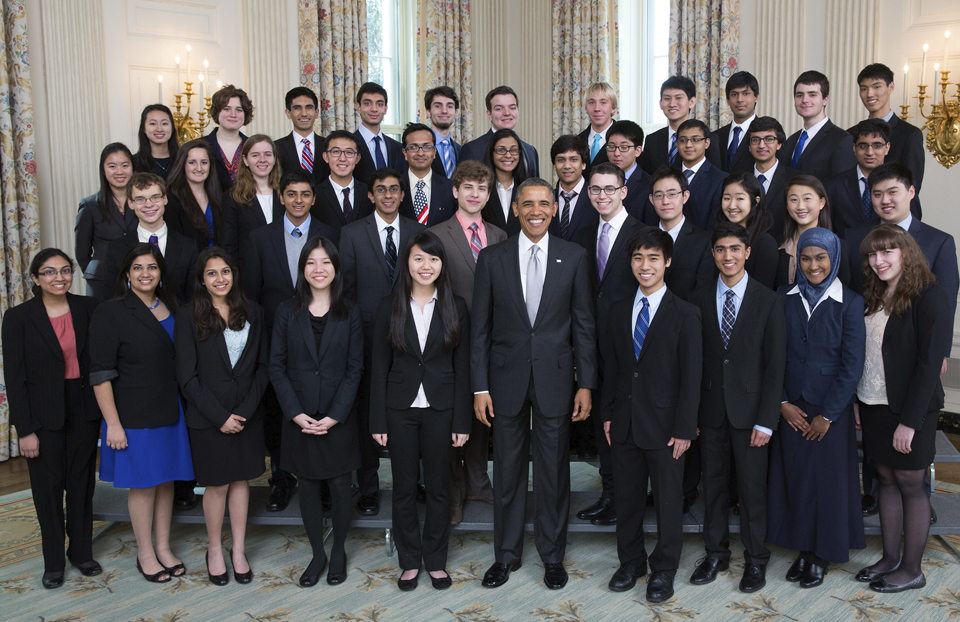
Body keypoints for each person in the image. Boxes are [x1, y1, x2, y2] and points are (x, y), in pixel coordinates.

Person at [472, 178, 597, 590]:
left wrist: (586, 384)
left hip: (557, 380)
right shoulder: (491, 258)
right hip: (504, 381)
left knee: (553, 474)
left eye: (544, 203)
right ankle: (505, 557)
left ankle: (552, 556)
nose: (537, 210)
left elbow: (583, 325)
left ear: (555, 209)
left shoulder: (574, 256)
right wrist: (479, 387)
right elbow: (480, 330)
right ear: (515, 209)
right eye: (528, 204)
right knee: (507, 472)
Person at [845, 163, 958, 521]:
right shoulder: (859, 240)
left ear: (911, 192)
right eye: (877, 194)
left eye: (892, 191)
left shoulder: (938, 241)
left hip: (916, 366)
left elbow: (947, 299)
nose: (885, 200)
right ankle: (878, 504)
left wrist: (941, 353)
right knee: (883, 470)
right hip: (875, 379)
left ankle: (917, 516)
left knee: (909, 475)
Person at [601, 227, 702, 603]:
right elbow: (613, 367)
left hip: (667, 428)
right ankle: (631, 562)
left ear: (668, 262)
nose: (645, 266)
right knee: (626, 499)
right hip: (624, 422)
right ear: (630, 263)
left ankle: (663, 569)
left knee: (668, 502)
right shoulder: (616, 311)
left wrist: (684, 428)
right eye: (638, 258)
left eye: (653, 258)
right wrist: (608, 414)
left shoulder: (686, 314)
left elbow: (692, 377)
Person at [370, 231, 472, 591]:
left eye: (432, 259)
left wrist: (462, 420)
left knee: (440, 487)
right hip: (399, 409)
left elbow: (463, 368)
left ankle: (436, 560)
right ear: (407, 263)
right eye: (418, 258)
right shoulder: (389, 306)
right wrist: (378, 419)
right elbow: (379, 367)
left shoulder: (456, 306)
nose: (425, 266)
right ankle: (410, 561)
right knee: (404, 487)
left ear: (442, 264)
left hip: (441, 409)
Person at [687, 222, 786, 593]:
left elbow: (775, 366)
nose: (727, 256)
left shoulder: (769, 300)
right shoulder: (696, 299)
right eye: (720, 250)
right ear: (713, 254)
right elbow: (692, 362)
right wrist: (691, 415)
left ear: (747, 252)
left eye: (734, 249)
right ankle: (715, 553)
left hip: (751, 416)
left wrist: (767, 420)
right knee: (712, 486)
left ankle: (756, 559)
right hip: (710, 412)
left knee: (751, 490)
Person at [89, 243, 195, 584]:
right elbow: (101, 373)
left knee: (166, 482)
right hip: (133, 416)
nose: (145, 273)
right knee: (144, 485)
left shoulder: (174, 307)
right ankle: (145, 553)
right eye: (137, 268)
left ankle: (163, 547)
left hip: (172, 410)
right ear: (126, 274)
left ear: (161, 272)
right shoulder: (111, 312)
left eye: (151, 267)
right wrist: (113, 424)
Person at [767, 227, 866, 588]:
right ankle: (802, 548)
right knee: (796, 479)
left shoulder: (851, 302)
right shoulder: (783, 296)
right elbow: (772, 355)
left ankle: (822, 553)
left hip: (829, 410)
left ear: (834, 258)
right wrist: (781, 402)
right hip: (792, 405)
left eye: (821, 258)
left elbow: (852, 365)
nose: (813, 265)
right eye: (806, 258)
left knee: (828, 484)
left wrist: (828, 415)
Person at [854, 225, 950, 593]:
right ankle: (890, 558)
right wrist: (860, 401)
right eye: (873, 255)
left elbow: (928, 365)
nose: (878, 261)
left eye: (887, 252)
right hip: (875, 403)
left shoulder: (930, 296)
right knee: (886, 482)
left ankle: (912, 568)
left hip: (912, 409)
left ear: (906, 252)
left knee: (911, 485)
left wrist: (910, 423)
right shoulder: (874, 294)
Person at [2, 250, 102, 589]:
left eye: (64, 271)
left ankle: (81, 552)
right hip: (42, 414)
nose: (58, 278)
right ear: (35, 278)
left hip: (84, 408)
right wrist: (25, 430)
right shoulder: (17, 318)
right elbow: (14, 380)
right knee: (47, 490)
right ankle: (54, 561)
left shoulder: (88, 309)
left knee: (81, 485)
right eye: (48, 272)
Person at [269, 237, 364, 587]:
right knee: (307, 485)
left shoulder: (350, 311)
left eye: (325, 262)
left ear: (335, 269)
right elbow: (276, 367)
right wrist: (295, 413)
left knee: (340, 484)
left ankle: (337, 550)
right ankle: (317, 554)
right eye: (311, 262)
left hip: (338, 416)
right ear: (302, 269)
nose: (319, 269)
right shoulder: (286, 310)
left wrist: (336, 414)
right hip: (300, 415)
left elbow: (356, 369)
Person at [243, 170, 337, 513]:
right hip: (274, 338)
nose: (298, 200)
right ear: (281, 198)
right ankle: (281, 481)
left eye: (305, 194)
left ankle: (324, 481)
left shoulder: (330, 234)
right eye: (291, 194)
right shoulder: (258, 238)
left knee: (320, 407)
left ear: (314, 199)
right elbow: (252, 295)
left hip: (321, 336)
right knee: (279, 414)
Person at [174, 248, 269, 586]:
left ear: (234, 274)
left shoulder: (253, 312)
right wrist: (220, 417)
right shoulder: (188, 316)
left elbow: (262, 368)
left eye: (225, 271)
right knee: (216, 486)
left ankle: (238, 549)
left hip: (247, 416)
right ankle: (215, 549)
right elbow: (187, 377)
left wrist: (242, 412)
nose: (220, 279)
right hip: (208, 418)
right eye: (212, 273)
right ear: (202, 279)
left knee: (242, 482)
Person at [340, 167, 426, 516]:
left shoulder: (419, 232)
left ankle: (417, 481)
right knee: (367, 412)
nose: (388, 195)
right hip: (367, 337)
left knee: (415, 407)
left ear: (403, 195)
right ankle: (370, 487)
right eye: (381, 190)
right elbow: (344, 292)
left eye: (394, 189)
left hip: (413, 335)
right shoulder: (351, 234)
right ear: (370, 195)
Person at [428, 161, 506, 523]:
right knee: (450, 413)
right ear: (455, 191)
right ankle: (453, 486)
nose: (475, 194)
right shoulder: (436, 234)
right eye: (468, 188)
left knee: (481, 414)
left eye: (482, 189)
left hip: (491, 339)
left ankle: (478, 479)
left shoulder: (500, 234)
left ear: (489, 195)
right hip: (449, 336)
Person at [574, 162, 647, 526]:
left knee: (629, 427)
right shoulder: (582, 234)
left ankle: (630, 497)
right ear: (588, 193)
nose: (602, 195)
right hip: (593, 348)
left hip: (632, 348)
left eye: (609, 189)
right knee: (603, 428)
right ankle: (610, 495)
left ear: (624, 191)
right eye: (596, 189)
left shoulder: (643, 234)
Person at [101, 173, 198, 307]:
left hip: (177, 323)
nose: (149, 204)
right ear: (130, 203)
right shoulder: (116, 249)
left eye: (155, 197)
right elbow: (111, 300)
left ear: (165, 199)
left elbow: (194, 298)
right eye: (140, 199)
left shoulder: (188, 246)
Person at [826, 119, 921, 238]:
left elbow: (913, 226)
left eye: (877, 146)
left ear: (887, 148)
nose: (870, 152)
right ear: (854, 148)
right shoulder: (833, 185)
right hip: (847, 254)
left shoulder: (904, 184)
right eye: (863, 146)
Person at [75, 143, 139, 300]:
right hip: (101, 280)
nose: (119, 171)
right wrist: (97, 272)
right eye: (112, 166)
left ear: (132, 168)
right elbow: (82, 253)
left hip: (138, 277)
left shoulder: (143, 202)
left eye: (125, 165)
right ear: (103, 170)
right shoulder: (89, 205)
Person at [849, 63, 924, 192]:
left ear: (891, 87)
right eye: (864, 88)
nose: (869, 94)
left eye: (876, 87)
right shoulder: (850, 134)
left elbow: (912, 188)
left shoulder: (910, 134)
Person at [651, 166, 715, 302]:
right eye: (659, 195)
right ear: (651, 199)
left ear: (685, 196)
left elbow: (703, 293)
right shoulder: (643, 238)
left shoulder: (704, 242)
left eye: (672, 194)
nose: (665, 201)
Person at [219, 134, 284, 266]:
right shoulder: (232, 198)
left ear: (274, 158)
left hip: (284, 272)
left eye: (267, 154)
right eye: (255, 155)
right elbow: (229, 246)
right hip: (249, 274)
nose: (262, 160)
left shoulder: (286, 194)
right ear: (246, 160)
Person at [776, 175, 850, 289]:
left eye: (807, 198)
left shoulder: (838, 246)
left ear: (822, 202)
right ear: (786, 205)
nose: (800, 206)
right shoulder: (778, 244)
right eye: (794, 200)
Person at [783, 71, 856, 181]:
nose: (805, 100)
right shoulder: (791, 141)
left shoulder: (842, 140)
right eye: (799, 95)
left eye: (812, 95)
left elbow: (842, 188)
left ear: (825, 100)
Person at [639, 76, 721, 174]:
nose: (672, 104)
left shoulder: (708, 138)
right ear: (660, 103)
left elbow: (715, 177)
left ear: (691, 102)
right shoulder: (652, 140)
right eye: (667, 98)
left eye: (678, 98)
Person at [459, 86, 540, 177]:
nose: (507, 113)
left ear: (518, 111)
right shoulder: (472, 149)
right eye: (499, 109)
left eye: (512, 108)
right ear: (489, 114)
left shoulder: (530, 151)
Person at [716, 172, 778, 290]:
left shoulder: (765, 244)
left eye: (740, 198)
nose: (732, 205)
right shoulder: (717, 237)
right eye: (727, 198)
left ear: (756, 201)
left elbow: (763, 292)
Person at [166, 139, 223, 251]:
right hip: (190, 265)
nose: (199, 168)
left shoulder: (220, 196)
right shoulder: (171, 200)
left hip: (218, 264)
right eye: (192, 162)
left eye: (204, 162)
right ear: (182, 165)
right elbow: (176, 244)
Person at [746, 117, 797, 243]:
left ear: (779, 144)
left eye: (769, 139)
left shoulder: (795, 180)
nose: (762, 145)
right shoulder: (740, 180)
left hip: (783, 248)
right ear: (749, 146)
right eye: (755, 140)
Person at [312, 130, 373, 234]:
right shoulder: (315, 195)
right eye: (336, 152)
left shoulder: (369, 193)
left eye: (349, 152)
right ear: (326, 157)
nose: (342, 158)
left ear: (357, 158)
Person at [398, 122, 456, 226]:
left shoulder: (450, 188)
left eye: (427, 147)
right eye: (413, 147)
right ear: (405, 153)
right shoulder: (395, 187)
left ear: (434, 152)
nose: (420, 153)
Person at [676, 119, 727, 232]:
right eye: (683, 140)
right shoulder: (670, 177)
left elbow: (716, 224)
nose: (688, 145)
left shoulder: (720, 179)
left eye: (695, 140)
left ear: (707, 143)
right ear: (677, 143)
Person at [274, 86, 330, 188]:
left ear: (316, 113)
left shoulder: (329, 145)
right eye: (297, 108)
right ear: (288, 113)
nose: (304, 113)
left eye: (309, 107)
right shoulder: (276, 147)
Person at [352, 82, 403, 186]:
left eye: (379, 104)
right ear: (358, 107)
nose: (374, 109)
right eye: (367, 103)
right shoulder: (349, 146)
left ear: (385, 109)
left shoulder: (398, 148)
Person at [203, 84, 252, 191]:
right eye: (227, 109)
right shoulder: (200, 145)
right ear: (217, 112)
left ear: (245, 114)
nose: (233, 114)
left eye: (239, 110)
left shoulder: (253, 146)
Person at [480, 129, 529, 236]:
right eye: (501, 150)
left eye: (514, 150)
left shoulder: (528, 189)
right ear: (492, 154)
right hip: (490, 250)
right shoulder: (481, 189)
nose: (508, 155)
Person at [606, 121, 655, 225]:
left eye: (624, 147)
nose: (616, 153)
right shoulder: (599, 180)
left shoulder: (649, 185)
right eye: (611, 147)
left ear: (637, 151)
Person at [548, 135, 595, 243]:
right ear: (554, 166)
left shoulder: (596, 197)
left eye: (573, 160)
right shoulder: (546, 198)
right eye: (561, 160)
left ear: (583, 164)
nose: (567, 166)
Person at [717, 71, 759, 173]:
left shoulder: (766, 135)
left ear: (756, 97)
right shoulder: (716, 137)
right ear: (727, 100)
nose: (740, 99)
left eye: (745, 93)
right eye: (734, 94)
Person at [578, 82, 618, 175]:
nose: (597, 108)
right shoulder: (577, 141)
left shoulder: (625, 140)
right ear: (586, 108)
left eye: (603, 102)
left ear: (613, 107)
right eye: (591, 102)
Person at [132, 104, 180, 179]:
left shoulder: (183, 159)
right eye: (153, 124)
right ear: (144, 128)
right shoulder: (134, 163)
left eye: (164, 123)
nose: (159, 129)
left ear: (172, 128)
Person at [424, 86, 462, 179]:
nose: (444, 111)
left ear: (456, 113)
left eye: (449, 106)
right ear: (428, 112)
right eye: (438, 106)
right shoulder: (419, 149)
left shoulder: (461, 150)